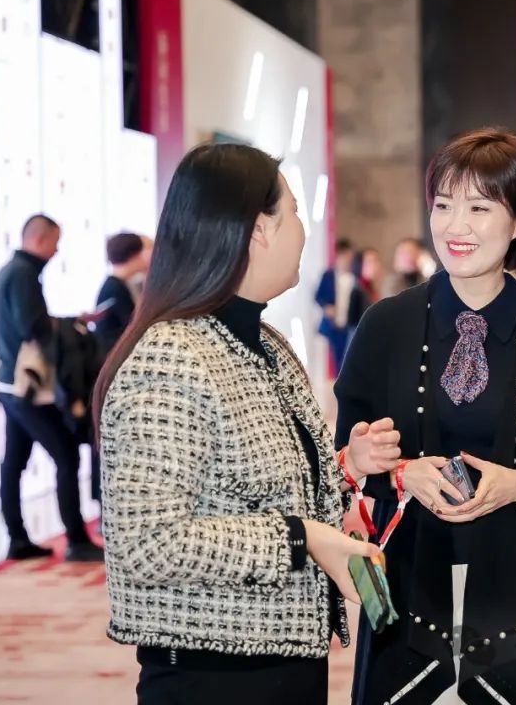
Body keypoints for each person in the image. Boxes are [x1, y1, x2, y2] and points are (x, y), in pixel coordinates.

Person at [94, 144, 402, 704]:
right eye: (296, 215)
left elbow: (254, 491)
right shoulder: (171, 357)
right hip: (215, 677)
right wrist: (302, 538)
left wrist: (346, 467)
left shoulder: (266, 345)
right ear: (260, 230)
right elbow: (148, 542)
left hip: (283, 665)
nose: (304, 232)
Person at [336, 128, 516, 704]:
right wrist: (398, 473)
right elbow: (340, 465)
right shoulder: (385, 326)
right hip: (405, 591)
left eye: (479, 208)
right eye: (443, 205)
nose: (456, 226)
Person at [0, 214, 104, 562]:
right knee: (66, 453)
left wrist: (69, 322)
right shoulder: (23, 275)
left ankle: (17, 539)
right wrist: (70, 325)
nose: (57, 251)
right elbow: (33, 327)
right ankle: (76, 540)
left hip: (10, 383)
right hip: (27, 386)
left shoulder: (11, 270)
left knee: (14, 461)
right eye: (55, 242)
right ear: (39, 240)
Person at [93, 232, 152, 356]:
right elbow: (134, 326)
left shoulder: (118, 285)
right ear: (134, 255)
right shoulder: (114, 289)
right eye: (146, 250)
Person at [316, 239, 357, 373]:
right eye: (345, 257)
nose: (347, 261)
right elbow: (318, 296)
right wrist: (326, 307)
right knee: (332, 361)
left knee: (346, 360)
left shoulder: (354, 278)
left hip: (348, 325)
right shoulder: (328, 275)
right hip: (331, 325)